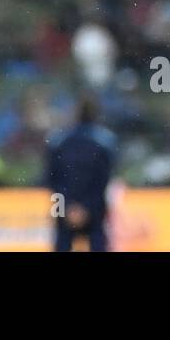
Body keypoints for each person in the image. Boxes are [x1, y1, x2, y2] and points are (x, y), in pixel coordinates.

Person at [46, 98, 118, 251]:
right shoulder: (105, 142)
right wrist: (87, 206)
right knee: (97, 243)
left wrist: (67, 205)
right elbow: (103, 180)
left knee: (63, 244)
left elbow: (52, 178)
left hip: (63, 207)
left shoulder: (58, 142)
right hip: (94, 208)